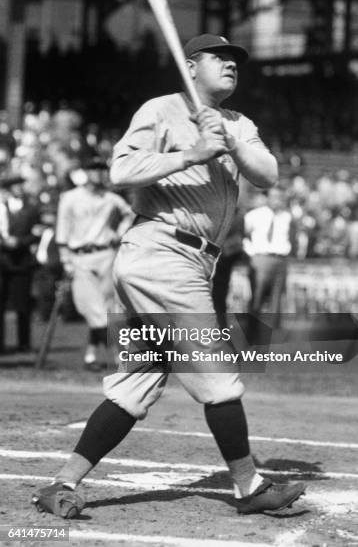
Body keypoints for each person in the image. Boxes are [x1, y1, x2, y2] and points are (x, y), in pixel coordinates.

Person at [32, 34, 305, 518]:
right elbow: (120, 169)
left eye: (235, 61)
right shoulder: (160, 110)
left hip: (190, 260)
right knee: (218, 377)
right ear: (191, 66)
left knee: (135, 384)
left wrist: (228, 145)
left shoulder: (239, 123)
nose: (231, 66)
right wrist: (190, 154)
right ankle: (249, 486)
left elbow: (267, 174)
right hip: (163, 252)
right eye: (219, 59)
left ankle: (60, 483)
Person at [55, 157, 133, 370]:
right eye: (94, 169)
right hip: (80, 257)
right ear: (86, 172)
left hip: (106, 254)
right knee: (91, 308)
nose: (98, 173)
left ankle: (95, 356)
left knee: (108, 307)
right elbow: (62, 227)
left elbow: (130, 214)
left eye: (101, 169)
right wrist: (65, 259)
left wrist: (119, 233)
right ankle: (120, 351)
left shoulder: (111, 198)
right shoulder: (70, 197)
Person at [243, 186, 293, 328]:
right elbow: (243, 236)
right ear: (268, 198)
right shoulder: (255, 215)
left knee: (277, 300)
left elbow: (292, 238)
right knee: (257, 298)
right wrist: (251, 253)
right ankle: (252, 336)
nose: (277, 200)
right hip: (260, 259)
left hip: (280, 260)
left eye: (280, 197)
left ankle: (273, 338)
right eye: (274, 196)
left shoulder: (287, 217)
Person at [0, 175, 40, 353]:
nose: (18, 188)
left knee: (23, 305)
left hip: (22, 261)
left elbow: (36, 233)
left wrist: (20, 242)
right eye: (14, 185)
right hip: (3, 261)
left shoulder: (32, 209)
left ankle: (24, 343)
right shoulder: (2, 208)